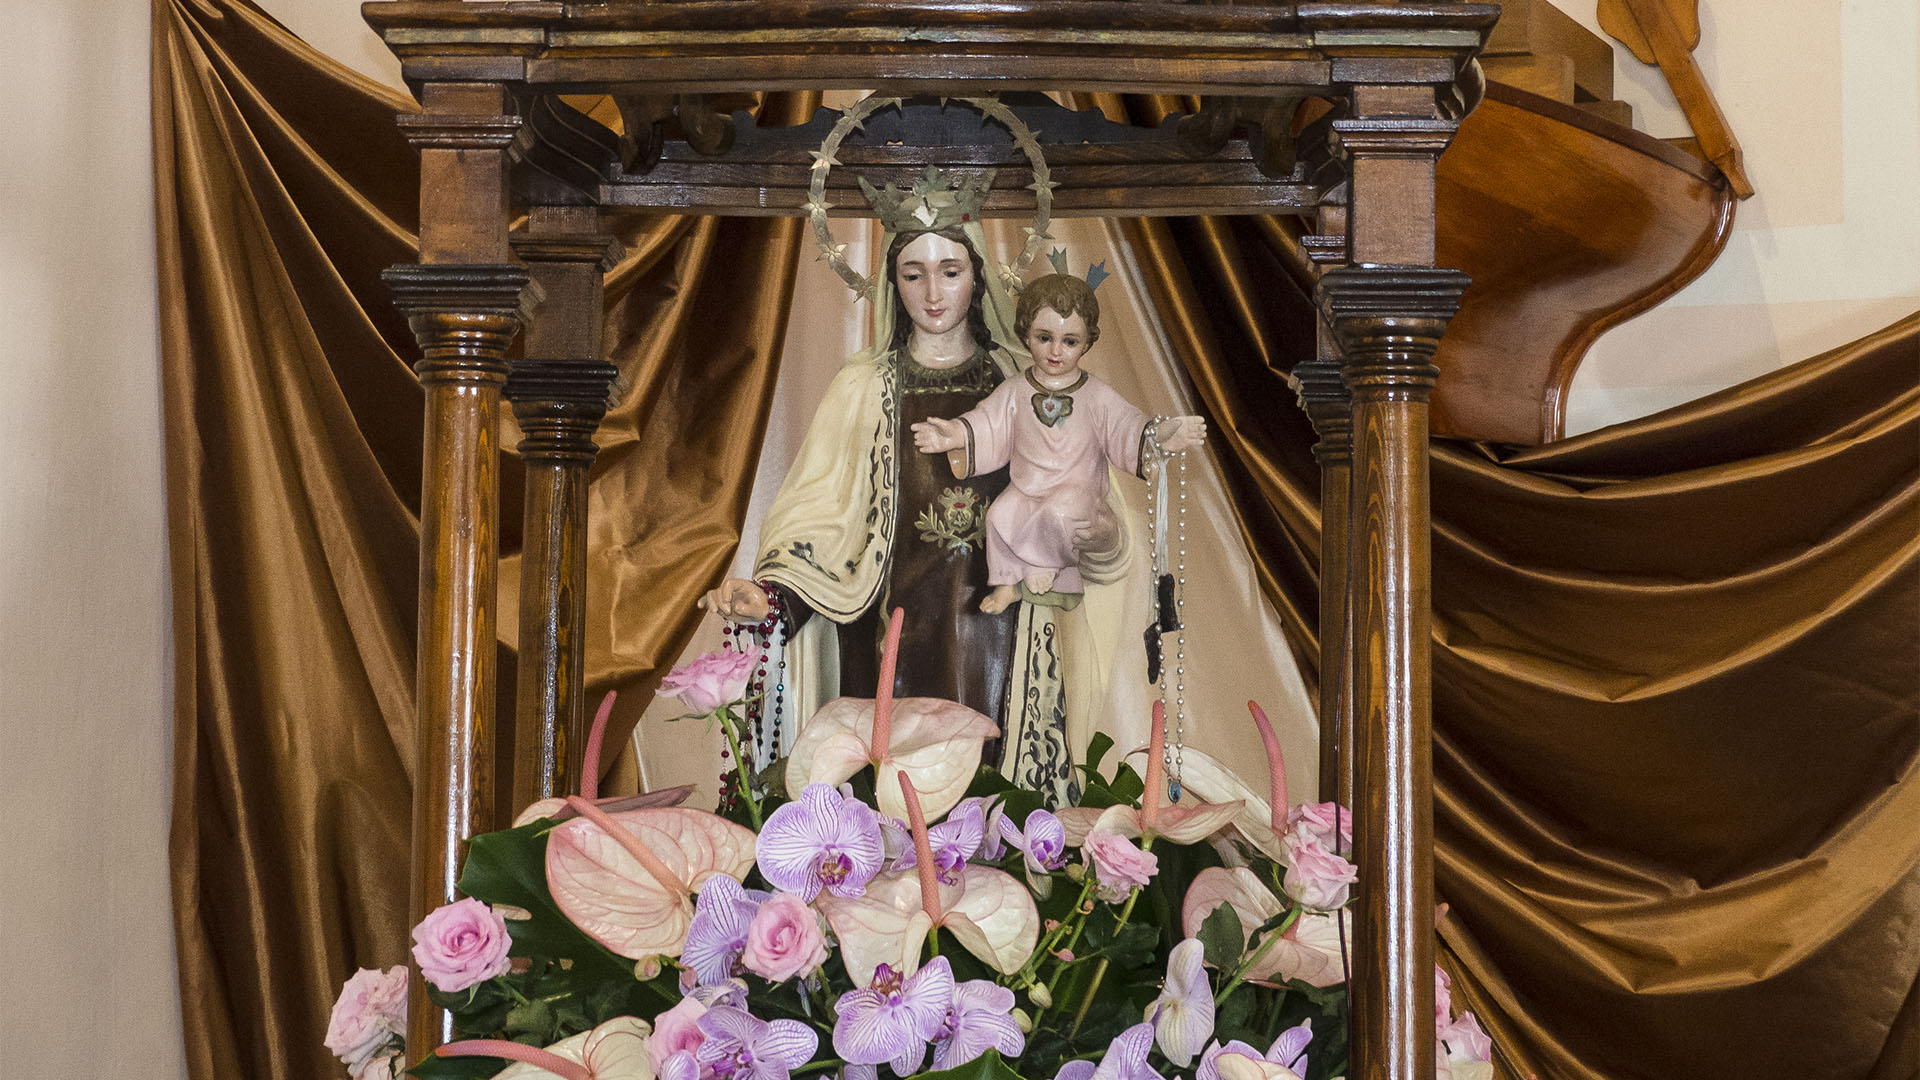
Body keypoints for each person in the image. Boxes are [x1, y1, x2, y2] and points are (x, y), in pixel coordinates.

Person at [701, 171, 1138, 800]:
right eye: (913, 273)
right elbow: (821, 531)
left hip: (998, 639)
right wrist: (770, 599)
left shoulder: (1028, 388)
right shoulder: (861, 391)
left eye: (951, 271)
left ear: (978, 276)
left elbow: (1097, 528)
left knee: (990, 805)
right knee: (883, 806)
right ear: (890, 282)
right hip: (880, 639)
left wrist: (1094, 533)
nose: (933, 293)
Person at [910, 273, 1205, 614]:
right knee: (998, 515)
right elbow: (987, 423)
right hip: (1027, 489)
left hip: (1077, 494)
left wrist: (1164, 434)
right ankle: (1008, 584)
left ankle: (1044, 567)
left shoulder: (1096, 395)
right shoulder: (1016, 389)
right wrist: (955, 433)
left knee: (1060, 514)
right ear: (1026, 334)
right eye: (1044, 337)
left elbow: (1129, 427)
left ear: (1087, 343)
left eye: (1069, 341)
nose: (1054, 351)